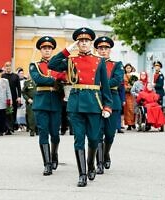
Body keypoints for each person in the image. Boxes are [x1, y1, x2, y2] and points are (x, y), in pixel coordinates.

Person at [48, 27, 112, 187]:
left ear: (91, 43)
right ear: (78, 43)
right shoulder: (71, 59)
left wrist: (107, 106)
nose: (83, 43)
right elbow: (52, 64)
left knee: (93, 138)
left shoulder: (99, 61)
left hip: (94, 102)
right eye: (81, 41)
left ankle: (91, 165)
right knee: (78, 140)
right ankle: (82, 174)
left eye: (86, 41)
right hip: (76, 104)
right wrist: (68, 49)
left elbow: (105, 85)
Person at [29, 36, 66, 176]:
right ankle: (47, 163)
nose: (47, 50)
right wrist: (55, 80)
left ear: (52, 50)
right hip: (41, 102)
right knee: (43, 132)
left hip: (56, 102)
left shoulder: (59, 64)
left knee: (55, 134)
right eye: (44, 48)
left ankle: (54, 153)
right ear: (40, 50)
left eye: (49, 48)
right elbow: (38, 79)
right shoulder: (35, 65)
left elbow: (66, 75)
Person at [94, 36, 124, 174]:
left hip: (112, 99)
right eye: (101, 48)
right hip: (96, 99)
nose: (103, 50)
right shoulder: (93, 63)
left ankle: (106, 153)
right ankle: (99, 162)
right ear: (97, 49)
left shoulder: (117, 64)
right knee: (97, 133)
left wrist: (101, 84)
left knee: (110, 134)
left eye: (106, 48)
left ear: (110, 50)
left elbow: (117, 80)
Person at [2, 61, 22, 134]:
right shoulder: (2, 76)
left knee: (13, 112)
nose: (8, 67)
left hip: (14, 97)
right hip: (5, 97)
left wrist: (19, 96)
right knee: (6, 112)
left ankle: (11, 127)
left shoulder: (15, 76)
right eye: (7, 66)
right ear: (5, 67)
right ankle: (7, 128)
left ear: (11, 67)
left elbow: (19, 88)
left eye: (9, 66)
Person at [123, 64, 136, 130]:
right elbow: (123, 85)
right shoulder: (123, 76)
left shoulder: (133, 76)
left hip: (133, 95)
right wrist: (127, 87)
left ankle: (133, 123)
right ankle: (129, 124)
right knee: (127, 109)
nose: (128, 69)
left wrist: (133, 87)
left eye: (129, 68)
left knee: (133, 109)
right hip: (127, 94)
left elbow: (136, 84)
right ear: (125, 69)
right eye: (127, 68)